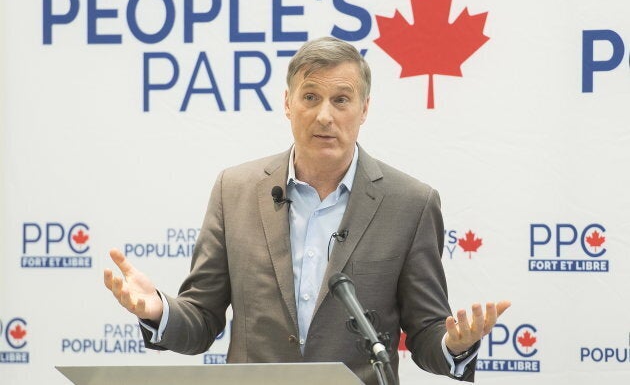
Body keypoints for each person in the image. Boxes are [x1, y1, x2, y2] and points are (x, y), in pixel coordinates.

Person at [104, 36, 510, 384]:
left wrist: (453, 343)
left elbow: (425, 334)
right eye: (311, 97)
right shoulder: (235, 190)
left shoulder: (410, 203)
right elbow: (203, 319)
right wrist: (159, 310)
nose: (324, 115)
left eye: (341, 100)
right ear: (287, 103)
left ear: (364, 109)